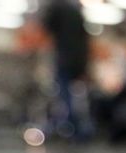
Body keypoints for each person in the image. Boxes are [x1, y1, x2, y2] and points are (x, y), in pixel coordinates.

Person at [41, 0, 91, 139]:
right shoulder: (77, 12)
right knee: (78, 97)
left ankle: (70, 126)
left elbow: (47, 26)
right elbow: (85, 40)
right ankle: (80, 129)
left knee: (64, 97)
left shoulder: (57, 7)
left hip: (65, 60)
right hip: (78, 62)